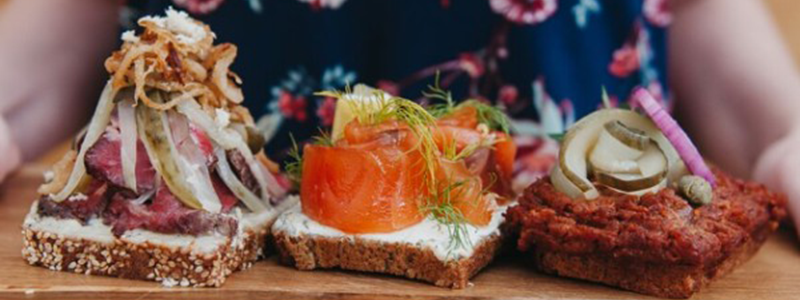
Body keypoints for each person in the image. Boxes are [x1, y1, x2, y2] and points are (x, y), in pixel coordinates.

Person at [2, 0, 800, 232]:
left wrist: (783, 137)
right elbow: (62, 34)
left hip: (587, 211)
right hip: (243, 227)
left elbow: (695, 12)